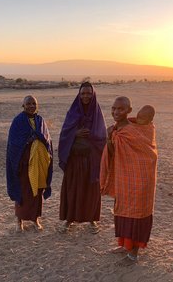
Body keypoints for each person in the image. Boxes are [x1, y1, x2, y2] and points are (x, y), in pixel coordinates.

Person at [100, 96, 158, 263]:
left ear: (129, 111)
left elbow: (149, 153)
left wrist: (110, 137)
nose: (116, 112)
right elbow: (112, 153)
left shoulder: (135, 130)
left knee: (137, 214)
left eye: (121, 109)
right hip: (124, 178)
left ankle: (134, 252)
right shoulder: (117, 129)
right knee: (123, 211)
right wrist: (108, 137)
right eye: (114, 108)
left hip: (141, 179)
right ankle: (124, 245)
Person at [58, 82, 106, 234]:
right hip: (74, 160)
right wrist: (75, 134)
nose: (86, 96)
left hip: (91, 160)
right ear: (79, 95)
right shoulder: (72, 112)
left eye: (89, 93)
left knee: (90, 190)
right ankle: (69, 219)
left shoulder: (97, 114)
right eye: (83, 93)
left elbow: (102, 137)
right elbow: (64, 134)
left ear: (93, 95)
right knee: (73, 188)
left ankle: (91, 219)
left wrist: (90, 136)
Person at [6, 95, 53, 232]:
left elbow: (47, 140)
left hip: (38, 164)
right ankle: (19, 221)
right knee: (23, 191)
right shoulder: (18, 121)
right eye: (28, 103)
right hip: (23, 164)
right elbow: (13, 143)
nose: (31, 106)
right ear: (23, 105)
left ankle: (35, 219)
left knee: (37, 192)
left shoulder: (41, 120)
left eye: (34, 103)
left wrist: (39, 140)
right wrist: (27, 141)